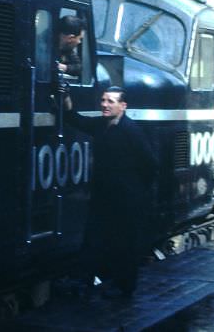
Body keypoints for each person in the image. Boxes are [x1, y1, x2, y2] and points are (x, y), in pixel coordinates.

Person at [63, 86, 157, 297]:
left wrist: (136, 191)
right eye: (103, 100)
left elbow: (150, 164)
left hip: (126, 198)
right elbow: (75, 119)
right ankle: (85, 279)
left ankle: (124, 287)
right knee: (94, 237)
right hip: (104, 196)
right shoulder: (101, 125)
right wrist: (66, 98)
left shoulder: (132, 131)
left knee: (124, 242)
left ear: (123, 106)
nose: (105, 105)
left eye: (110, 102)